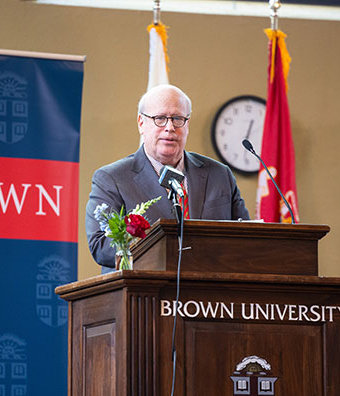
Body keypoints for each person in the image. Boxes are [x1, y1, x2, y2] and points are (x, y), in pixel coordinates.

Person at [85, 84, 249, 272]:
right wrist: (167, 251)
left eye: (178, 118)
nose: (170, 127)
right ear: (141, 123)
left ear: (187, 124)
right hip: (145, 293)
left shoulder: (219, 174)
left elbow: (245, 239)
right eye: (160, 118)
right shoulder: (112, 178)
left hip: (212, 295)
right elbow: (101, 247)